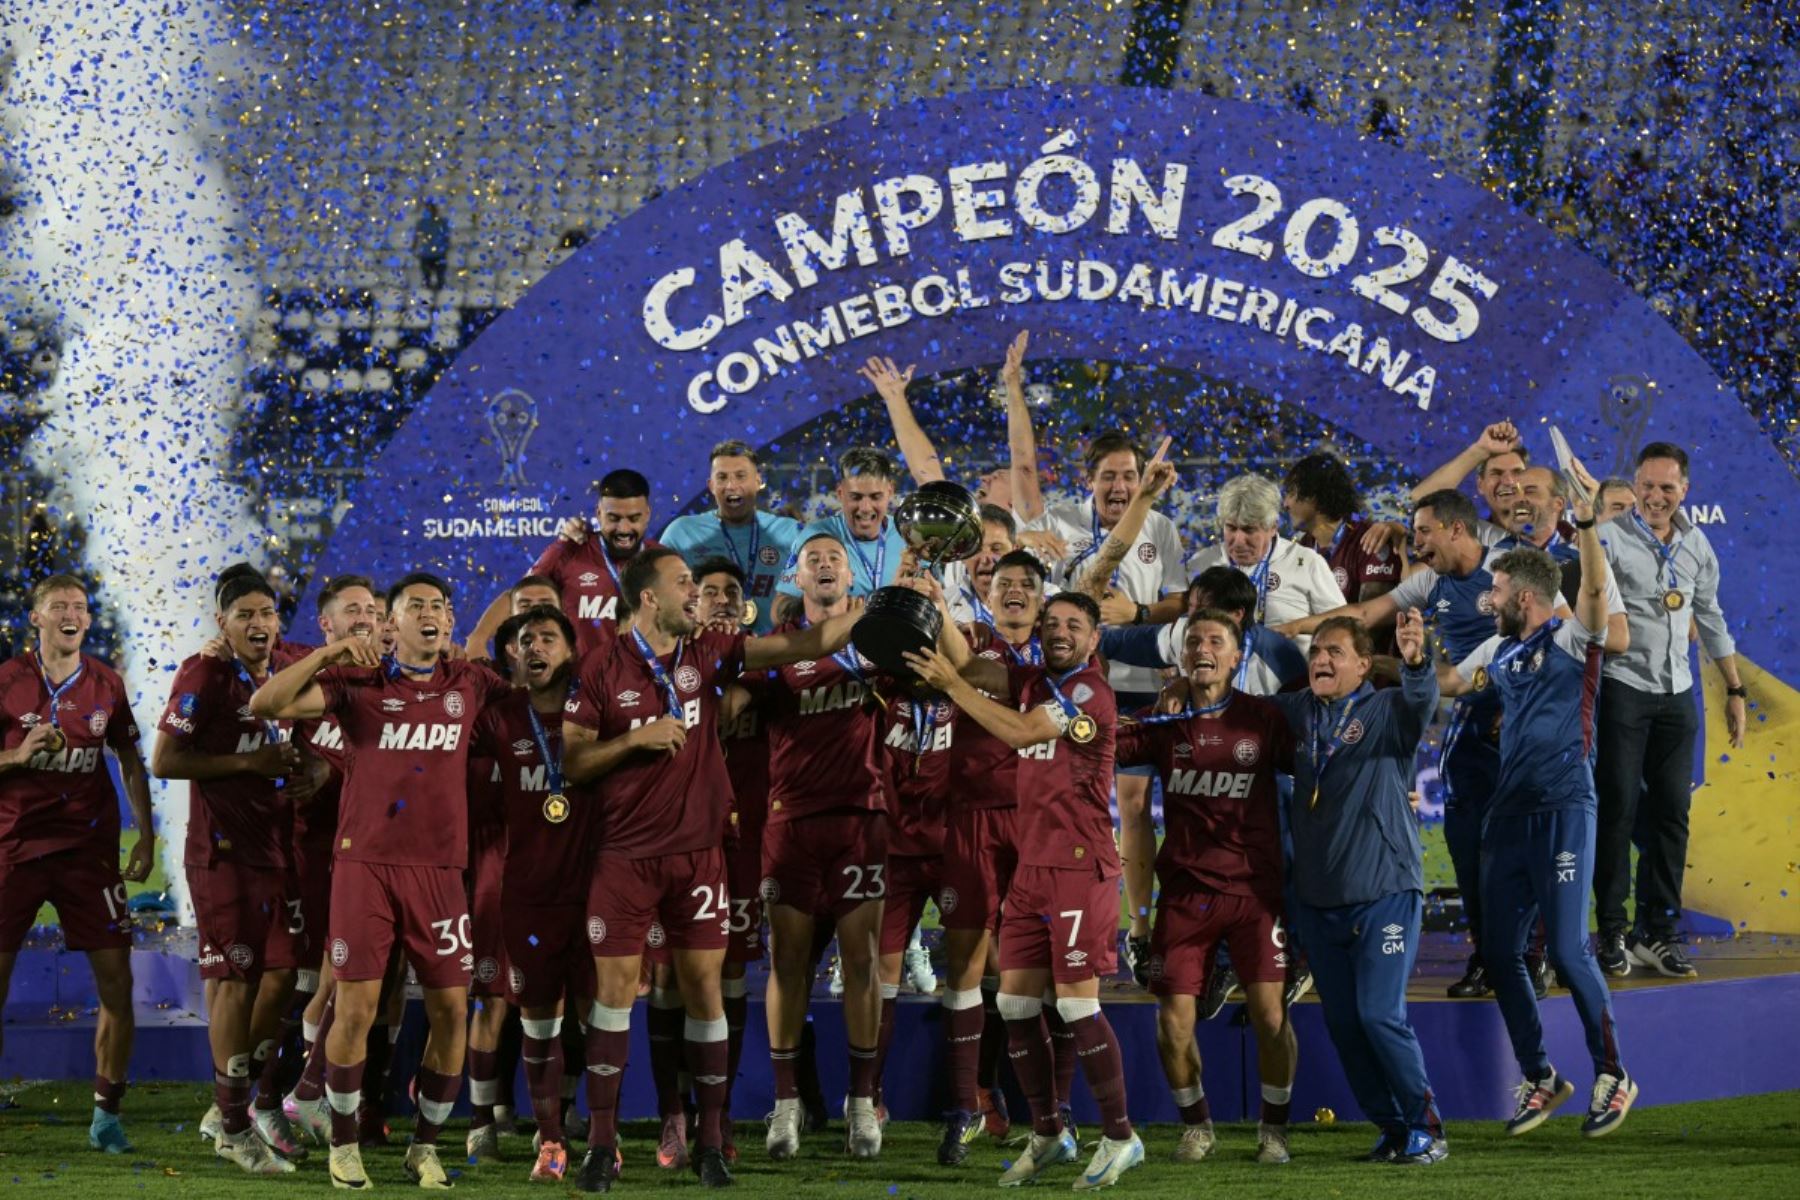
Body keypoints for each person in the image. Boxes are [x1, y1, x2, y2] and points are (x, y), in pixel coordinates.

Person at [561, 544, 861, 1190]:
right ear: (649, 597)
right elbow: (576, 764)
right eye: (683, 584)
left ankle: (711, 1141)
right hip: (623, 858)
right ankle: (603, 1144)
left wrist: (871, 611)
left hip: (699, 859)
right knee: (614, 1002)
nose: (695, 593)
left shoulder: (708, 653)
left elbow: (803, 645)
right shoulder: (600, 668)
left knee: (705, 995)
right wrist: (636, 739)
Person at [250, 572, 512, 1189]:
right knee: (357, 1008)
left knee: (451, 1009)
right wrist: (332, 651)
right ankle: (344, 1145)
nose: (429, 614)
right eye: (414, 606)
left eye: (438, 608)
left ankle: (424, 1147)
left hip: (442, 874)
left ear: (450, 623)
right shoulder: (355, 682)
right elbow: (267, 703)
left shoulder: (473, 683)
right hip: (364, 868)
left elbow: (543, 697)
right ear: (390, 625)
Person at [907, 593, 1145, 1191]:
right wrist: (938, 606)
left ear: (1094, 641)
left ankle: (1120, 1136)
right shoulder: (1030, 677)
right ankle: (1048, 1134)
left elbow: (1018, 733)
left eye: (1075, 626)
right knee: (1013, 1005)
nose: (1061, 632)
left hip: (1078, 867)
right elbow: (970, 666)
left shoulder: (1089, 692)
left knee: (1075, 1005)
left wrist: (952, 687)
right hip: (1032, 867)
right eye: (1053, 623)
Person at [1440, 477, 1640, 1139]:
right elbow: (1449, 683)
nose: (1485, 598)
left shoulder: (1566, 640)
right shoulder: (1498, 651)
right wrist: (1410, 659)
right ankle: (1542, 1075)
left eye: (1493, 590)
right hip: (1508, 817)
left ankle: (1613, 1074)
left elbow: (1588, 593)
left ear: (1521, 595)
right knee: (1500, 953)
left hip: (1562, 807)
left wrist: (1585, 527)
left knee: (1568, 949)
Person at [1115, 611, 1299, 1166]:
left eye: (1216, 640)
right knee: (1172, 1021)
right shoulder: (1163, 720)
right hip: (1185, 894)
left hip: (1255, 894)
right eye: (1193, 640)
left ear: (1237, 656)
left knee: (1270, 1016)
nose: (1203, 648)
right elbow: (1102, 738)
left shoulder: (1266, 720)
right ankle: (1197, 1126)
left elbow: (1321, 776)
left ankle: (1275, 1129)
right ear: (1180, 657)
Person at [1270, 611, 1447, 1164]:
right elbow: (1240, 711)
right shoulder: (1295, 713)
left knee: (1378, 1015)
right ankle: (1394, 1128)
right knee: (1344, 1023)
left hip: (1384, 891)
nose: (1321, 660)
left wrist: (1417, 663)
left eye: (1335, 652)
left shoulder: (1387, 710)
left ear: (1364, 665)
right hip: (1319, 899)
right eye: (1316, 651)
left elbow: (1422, 702)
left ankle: (1429, 1128)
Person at [1012, 421, 1185, 982]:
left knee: (1133, 808)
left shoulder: (1160, 526)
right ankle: (1046, 917)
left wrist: (1135, 616)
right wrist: (1025, 539)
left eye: (1129, 476)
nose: (1119, 485)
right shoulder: (1057, 522)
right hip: (1068, 683)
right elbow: (1011, 523)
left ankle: (1137, 929)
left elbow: (1178, 602)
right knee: (1062, 805)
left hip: (1138, 682)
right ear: (1088, 480)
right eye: (1109, 475)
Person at [152, 568, 310, 1174]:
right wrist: (252, 763)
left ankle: (230, 1105)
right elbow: (166, 758)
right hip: (222, 854)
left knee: (282, 976)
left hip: (277, 848)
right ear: (222, 623)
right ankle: (234, 1127)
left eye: (266, 612)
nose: (258, 624)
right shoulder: (204, 672)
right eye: (243, 614)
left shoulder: (288, 665)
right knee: (234, 981)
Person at [750, 533, 894, 1163]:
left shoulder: (877, 637)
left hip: (861, 819)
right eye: (815, 558)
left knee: (862, 961)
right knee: (788, 964)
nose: (827, 563)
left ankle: (862, 1104)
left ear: (851, 573)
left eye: (836, 556)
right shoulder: (777, 649)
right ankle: (787, 1106)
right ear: (796, 575)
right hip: (792, 823)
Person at [0, 573, 154, 1154]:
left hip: (88, 853)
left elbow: (131, 759)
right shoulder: (7, 682)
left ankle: (106, 1115)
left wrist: (146, 835)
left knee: (118, 983)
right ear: (35, 619)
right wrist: (17, 754)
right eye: (59, 606)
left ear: (88, 622)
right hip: (13, 849)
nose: (72, 614)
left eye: (81, 607)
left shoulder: (106, 683)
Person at [931, 549, 1076, 1164]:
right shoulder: (967, 640)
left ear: (1043, 597)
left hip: (1043, 822)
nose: (1013, 592)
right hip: (973, 819)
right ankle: (963, 1108)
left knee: (1055, 970)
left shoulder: (1064, 653)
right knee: (965, 962)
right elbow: (954, 658)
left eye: (1025, 584)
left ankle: (1056, 1113)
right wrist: (931, 595)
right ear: (984, 591)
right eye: (1002, 583)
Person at [1592, 443, 1746, 977]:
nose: (1656, 497)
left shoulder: (1697, 544)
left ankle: (1656, 932)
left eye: (1667, 487)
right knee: (1617, 813)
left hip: (1678, 695)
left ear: (1685, 490)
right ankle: (1611, 930)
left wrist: (1734, 689)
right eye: (1647, 486)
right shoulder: (1606, 539)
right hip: (1623, 689)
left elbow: (1711, 616)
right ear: (1635, 486)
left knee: (1672, 818)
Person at [469, 606, 597, 1183]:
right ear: (515, 656)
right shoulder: (497, 718)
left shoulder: (599, 712)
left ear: (571, 651)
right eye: (526, 640)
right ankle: (549, 1141)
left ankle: (601, 1137)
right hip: (526, 894)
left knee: (600, 1022)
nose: (536, 646)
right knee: (538, 1022)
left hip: (599, 891)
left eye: (548, 637)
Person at [470, 470, 659, 657]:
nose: (624, 529)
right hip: (580, 682)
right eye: (614, 518)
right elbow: (518, 596)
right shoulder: (570, 550)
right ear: (599, 513)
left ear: (648, 514)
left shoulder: (663, 560)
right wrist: (478, 639)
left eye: (634, 518)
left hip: (641, 679)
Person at [1184, 474, 1347, 647]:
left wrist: (1297, 626)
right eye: (1231, 528)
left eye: (1249, 530)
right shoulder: (1200, 564)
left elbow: (1343, 624)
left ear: (1273, 527)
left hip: (1288, 673)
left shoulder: (1306, 562)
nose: (1238, 541)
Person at [659, 440, 802, 635]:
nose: (731, 485)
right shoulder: (681, 533)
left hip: (776, 653)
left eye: (740, 476)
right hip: (706, 654)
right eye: (722, 477)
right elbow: (662, 600)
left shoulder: (791, 533)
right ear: (711, 485)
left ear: (758, 481)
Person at [775, 447, 907, 614]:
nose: (865, 508)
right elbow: (779, 610)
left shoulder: (909, 537)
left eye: (875, 497)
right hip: (836, 639)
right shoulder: (814, 536)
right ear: (840, 493)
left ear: (890, 492)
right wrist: (825, 603)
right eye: (856, 497)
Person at [1281, 452, 1405, 606]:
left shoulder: (1369, 540)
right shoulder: (1304, 546)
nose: (1285, 504)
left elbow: (1372, 620)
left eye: (1291, 493)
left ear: (1313, 495)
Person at [413, 199, 450, 291]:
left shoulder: (442, 222)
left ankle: (436, 296)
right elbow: (417, 237)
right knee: (429, 278)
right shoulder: (422, 223)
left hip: (436, 254)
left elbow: (446, 238)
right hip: (429, 254)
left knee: (438, 279)